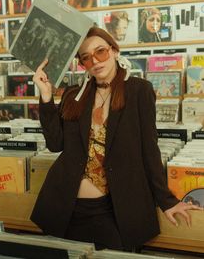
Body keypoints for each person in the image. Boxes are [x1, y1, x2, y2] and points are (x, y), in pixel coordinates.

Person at [31, 26, 202, 251]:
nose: (95, 61)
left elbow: (149, 150)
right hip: (64, 208)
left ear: (114, 51)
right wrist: (45, 98)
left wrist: (167, 201)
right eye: (86, 58)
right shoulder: (74, 94)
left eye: (100, 52)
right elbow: (55, 144)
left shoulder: (139, 91)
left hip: (112, 211)